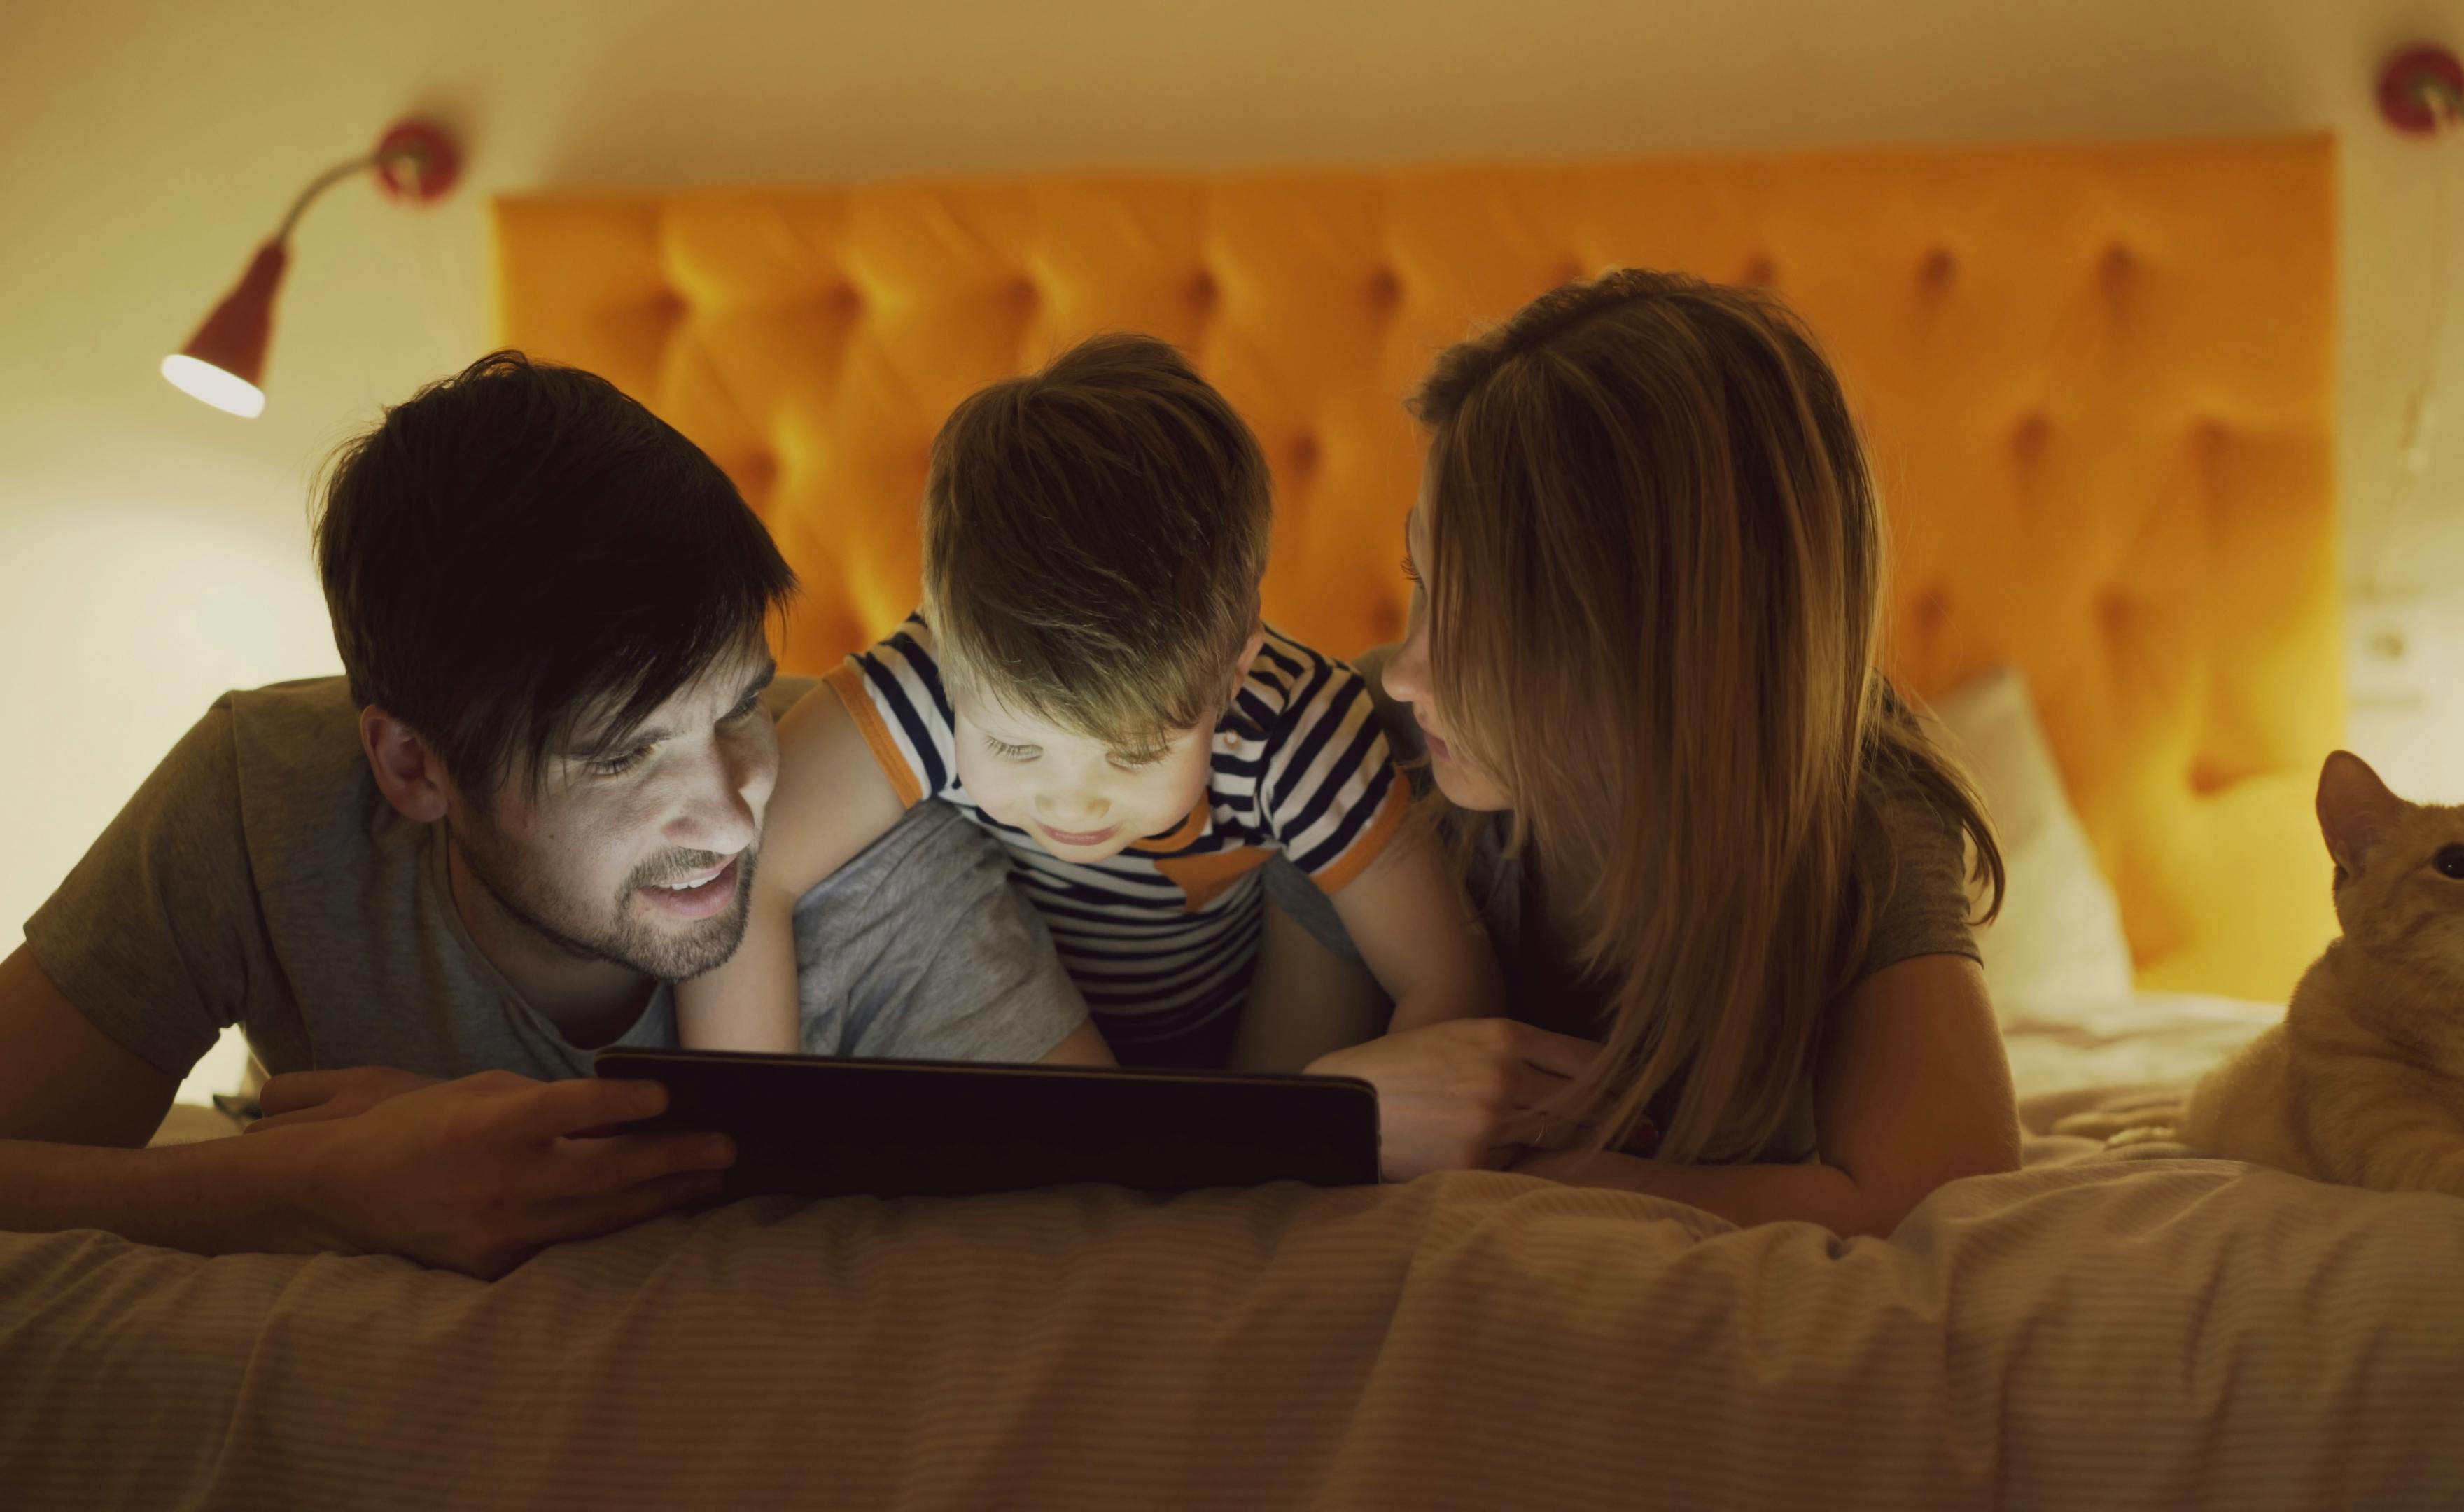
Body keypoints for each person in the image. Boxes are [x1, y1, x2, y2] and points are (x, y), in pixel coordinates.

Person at [0, 352, 1095, 1278]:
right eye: (622, 756)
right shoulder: (260, 797)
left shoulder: (876, 840)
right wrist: (303, 1187)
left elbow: (1121, 1220)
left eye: (739, 706)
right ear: (412, 766)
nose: (731, 814)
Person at [1272, 272, 2022, 1233]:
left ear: (1670, 651)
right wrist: (1341, 1111)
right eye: (1423, 577)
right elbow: (1241, 1142)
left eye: (1490, 617)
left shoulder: (1847, 791)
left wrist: (1545, 1174)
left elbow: (1942, 1193)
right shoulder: (1359, 752)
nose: (1413, 674)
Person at [677, 335, 1497, 1069]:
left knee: (1322, 926)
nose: (1073, 798)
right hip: (1004, 1040)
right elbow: (750, 874)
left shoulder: (1298, 730)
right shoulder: (929, 685)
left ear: (1234, 674)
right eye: (1018, 749)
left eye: (1136, 751)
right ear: (951, 662)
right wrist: (746, 1123)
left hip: (1240, 1062)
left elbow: (1446, 976)